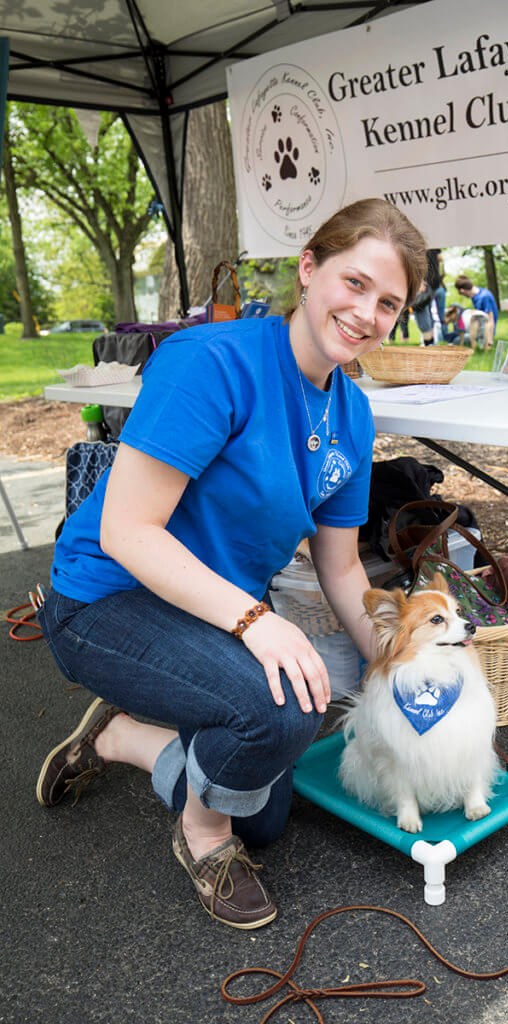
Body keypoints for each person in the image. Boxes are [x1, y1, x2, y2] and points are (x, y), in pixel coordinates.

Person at [35, 198, 428, 930]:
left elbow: (341, 569)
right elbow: (126, 531)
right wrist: (256, 622)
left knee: (267, 816)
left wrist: (393, 662)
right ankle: (202, 839)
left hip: (207, 608)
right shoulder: (211, 362)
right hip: (104, 599)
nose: (366, 313)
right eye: (353, 283)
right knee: (277, 715)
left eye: (388, 303)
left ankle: (118, 736)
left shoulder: (352, 414)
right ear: (308, 269)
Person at [454, 274, 499, 348]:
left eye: (462, 294)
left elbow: (491, 319)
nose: (464, 296)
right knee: (454, 334)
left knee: (456, 340)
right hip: (478, 327)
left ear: (463, 290)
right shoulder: (475, 295)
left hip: (484, 333)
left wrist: (489, 341)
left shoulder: (485, 296)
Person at [425, 248, 446, 337]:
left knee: (429, 314)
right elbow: (441, 259)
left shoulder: (421, 250)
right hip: (439, 286)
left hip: (429, 287)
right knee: (441, 313)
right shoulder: (436, 249)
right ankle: (444, 335)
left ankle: (432, 337)